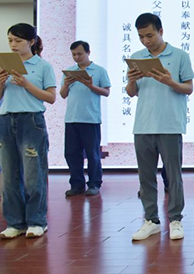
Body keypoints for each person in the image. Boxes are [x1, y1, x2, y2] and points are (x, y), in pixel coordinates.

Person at [127, 13, 194, 241]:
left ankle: (175, 219)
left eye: (149, 35)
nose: (146, 41)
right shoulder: (137, 57)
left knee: (173, 176)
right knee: (145, 177)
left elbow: (188, 88)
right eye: (141, 37)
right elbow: (132, 92)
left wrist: (170, 82)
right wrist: (131, 79)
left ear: (161, 31)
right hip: (143, 125)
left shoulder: (180, 55)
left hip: (170, 124)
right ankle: (151, 220)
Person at [0, 23, 56, 239]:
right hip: (6, 119)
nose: (13, 45)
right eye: (10, 40)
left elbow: (51, 97)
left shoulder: (43, 66)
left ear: (31, 42)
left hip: (31, 120)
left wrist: (26, 84)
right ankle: (15, 222)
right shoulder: (4, 64)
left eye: (18, 40)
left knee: (33, 175)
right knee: (9, 175)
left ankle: (37, 221)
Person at [60, 41, 111, 197]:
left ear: (88, 52)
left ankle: (94, 184)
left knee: (92, 154)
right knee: (71, 153)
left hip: (90, 119)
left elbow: (106, 92)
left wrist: (91, 85)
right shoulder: (69, 71)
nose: (77, 57)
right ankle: (77, 185)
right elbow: (63, 94)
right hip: (72, 118)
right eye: (74, 54)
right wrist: (66, 84)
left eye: (80, 54)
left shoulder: (99, 70)